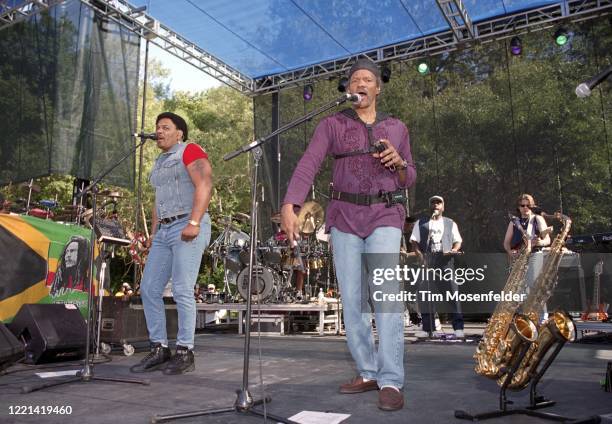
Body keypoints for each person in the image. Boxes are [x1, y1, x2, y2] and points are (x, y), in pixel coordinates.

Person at [281, 58, 416, 411]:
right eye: (355, 79)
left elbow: (410, 175)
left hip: (385, 213)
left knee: (385, 297)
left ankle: (390, 380)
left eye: (367, 79)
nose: (361, 83)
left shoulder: (397, 127)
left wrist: (400, 165)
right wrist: (291, 203)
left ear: (378, 87)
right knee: (352, 300)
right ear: (347, 88)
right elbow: (309, 162)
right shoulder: (332, 124)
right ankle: (368, 370)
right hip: (343, 216)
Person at [131, 112, 212, 375]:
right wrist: (154, 233)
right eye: (157, 128)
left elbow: (205, 184)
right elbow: (159, 200)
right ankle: (159, 348)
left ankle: (185, 350)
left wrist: (195, 222)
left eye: (165, 127)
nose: (159, 132)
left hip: (187, 224)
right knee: (149, 288)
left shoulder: (190, 150)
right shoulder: (159, 160)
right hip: (165, 230)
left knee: (182, 289)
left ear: (180, 133)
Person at [410, 196, 464, 338]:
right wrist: (420, 255)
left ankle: (458, 327)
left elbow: (457, 241)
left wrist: (454, 249)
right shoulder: (421, 223)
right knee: (425, 294)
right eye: (433, 203)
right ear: (430, 207)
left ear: (443, 207)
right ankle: (428, 328)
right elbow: (414, 242)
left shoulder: (450, 223)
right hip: (428, 260)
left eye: (438, 203)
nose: (436, 205)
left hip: (445, 260)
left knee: (452, 293)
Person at [503, 193, 551, 320]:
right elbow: (506, 242)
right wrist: (510, 251)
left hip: (535, 254)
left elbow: (547, 240)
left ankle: (542, 317)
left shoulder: (537, 219)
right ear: (518, 207)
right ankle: (523, 317)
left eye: (528, 205)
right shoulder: (514, 222)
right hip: (519, 257)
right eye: (522, 205)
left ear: (532, 206)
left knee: (534, 284)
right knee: (518, 288)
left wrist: (540, 242)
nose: (525, 208)